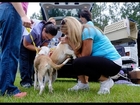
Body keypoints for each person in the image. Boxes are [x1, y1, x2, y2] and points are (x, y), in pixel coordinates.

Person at [60, 16, 122, 95]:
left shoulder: (87, 31)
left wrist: (70, 43)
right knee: (76, 61)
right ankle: (83, 84)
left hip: (113, 63)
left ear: (73, 29)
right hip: (106, 62)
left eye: (67, 33)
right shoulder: (83, 32)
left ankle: (106, 81)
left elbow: (84, 56)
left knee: (78, 62)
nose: (67, 36)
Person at [0, 2, 32, 98]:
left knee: (6, 51)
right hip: (12, 10)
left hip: (6, 9)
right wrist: (23, 15)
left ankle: (4, 86)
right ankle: (8, 89)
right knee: (10, 51)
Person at [19, 21, 58, 88]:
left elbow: (44, 46)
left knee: (33, 62)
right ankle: (25, 82)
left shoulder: (48, 36)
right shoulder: (35, 31)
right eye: (46, 37)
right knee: (25, 62)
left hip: (35, 45)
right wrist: (40, 49)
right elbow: (26, 44)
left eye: (49, 39)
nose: (47, 39)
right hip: (25, 44)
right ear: (44, 30)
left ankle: (34, 81)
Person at [78, 9, 94, 83]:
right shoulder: (91, 26)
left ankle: (83, 83)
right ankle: (84, 82)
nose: (81, 19)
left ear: (85, 17)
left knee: (79, 61)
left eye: (82, 17)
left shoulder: (88, 29)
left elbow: (85, 55)